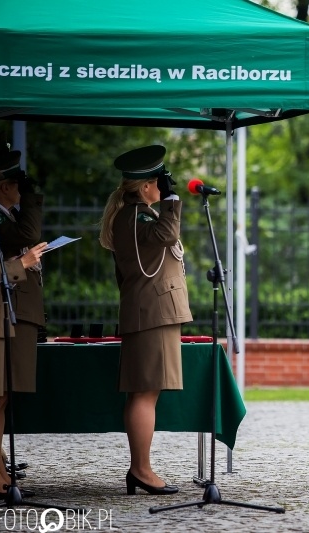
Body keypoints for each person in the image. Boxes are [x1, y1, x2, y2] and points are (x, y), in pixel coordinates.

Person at [99, 145, 192, 495]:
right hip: (152, 312)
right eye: (160, 182)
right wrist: (172, 202)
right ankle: (141, 469)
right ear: (146, 186)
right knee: (145, 393)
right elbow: (166, 236)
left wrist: (165, 203)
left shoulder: (137, 215)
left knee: (145, 391)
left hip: (151, 311)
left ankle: (140, 467)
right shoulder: (136, 216)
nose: (164, 187)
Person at [0, 137, 45, 488]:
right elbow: (27, 234)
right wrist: (20, 264)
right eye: (16, 184)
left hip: (3, 311)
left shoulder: (2, 214)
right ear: (5, 187)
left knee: (0, 397)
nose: (20, 191)